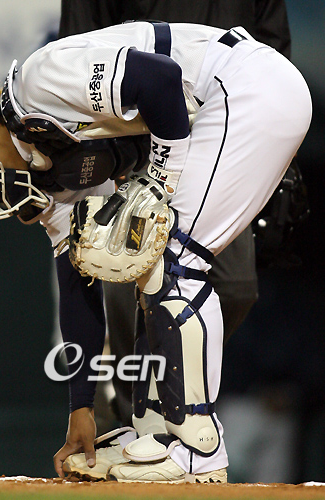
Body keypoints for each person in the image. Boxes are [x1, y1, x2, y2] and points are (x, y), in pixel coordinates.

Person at [0, 20, 312, 483]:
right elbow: (76, 284)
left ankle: (197, 446)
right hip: (223, 105)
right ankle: (157, 431)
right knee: (153, 267)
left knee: (174, 261)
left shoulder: (36, 84)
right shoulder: (41, 178)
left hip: (244, 85)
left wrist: (160, 180)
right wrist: (80, 408)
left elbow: (160, 79)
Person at [58, 0, 296, 431]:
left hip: (225, 119)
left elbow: (274, 41)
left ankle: (172, 396)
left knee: (235, 286)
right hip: (137, 128)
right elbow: (77, 45)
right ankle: (136, 417)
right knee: (130, 274)